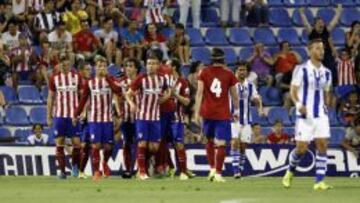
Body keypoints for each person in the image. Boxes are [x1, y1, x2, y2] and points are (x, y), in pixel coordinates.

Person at [282, 39, 333, 190]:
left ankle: (319, 181)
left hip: (321, 115)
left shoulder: (327, 72)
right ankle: (290, 171)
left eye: (322, 48)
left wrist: (327, 103)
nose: (321, 51)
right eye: (318, 48)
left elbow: (326, 91)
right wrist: (298, 104)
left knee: (322, 145)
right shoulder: (301, 69)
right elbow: (293, 90)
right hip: (305, 116)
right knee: (302, 149)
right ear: (310, 51)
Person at [194, 48, 239, 182]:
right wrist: (236, 110)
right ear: (223, 59)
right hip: (222, 114)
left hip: (207, 112)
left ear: (211, 59)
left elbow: (199, 93)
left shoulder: (204, 72)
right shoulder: (229, 74)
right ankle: (218, 173)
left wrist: (196, 112)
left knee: (208, 140)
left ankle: (212, 168)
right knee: (221, 143)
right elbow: (234, 95)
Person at [75, 56, 122, 181]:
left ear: (106, 68)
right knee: (95, 145)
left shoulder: (111, 80)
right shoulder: (90, 83)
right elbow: (83, 100)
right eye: (99, 66)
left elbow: (118, 91)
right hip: (94, 120)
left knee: (108, 147)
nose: (101, 68)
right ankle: (96, 172)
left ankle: (104, 163)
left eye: (103, 66)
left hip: (107, 119)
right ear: (95, 68)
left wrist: (107, 77)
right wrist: (76, 114)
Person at [125, 54, 171, 180]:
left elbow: (168, 90)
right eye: (149, 63)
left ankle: (148, 161)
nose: (151, 66)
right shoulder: (141, 79)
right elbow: (128, 94)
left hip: (155, 117)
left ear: (158, 66)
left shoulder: (162, 79)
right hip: (142, 116)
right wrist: (132, 105)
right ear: (146, 65)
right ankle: (142, 172)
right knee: (142, 143)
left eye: (153, 63)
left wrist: (166, 97)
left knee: (154, 147)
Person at [47, 53, 82, 179]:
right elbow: (50, 98)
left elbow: (82, 96)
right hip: (59, 115)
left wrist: (82, 112)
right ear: (59, 64)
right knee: (60, 143)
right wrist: (49, 116)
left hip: (73, 116)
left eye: (67, 64)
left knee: (77, 143)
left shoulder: (77, 77)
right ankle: (62, 172)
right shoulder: (54, 78)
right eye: (63, 64)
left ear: (70, 64)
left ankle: (75, 167)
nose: (65, 66)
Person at [230, 61, 263, 179]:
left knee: (243, 145)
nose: (242, 72)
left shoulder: (250, 85)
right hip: (232, 119)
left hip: (246, 119)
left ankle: (240, 166)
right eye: (240, 70)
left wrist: (260, 109)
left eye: (244, 70)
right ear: (236, 71)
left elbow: (256, 98)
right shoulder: (230, 84)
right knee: (234, 142)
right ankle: (235, 171)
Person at [165, 58, 195, 180]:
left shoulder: (183, 82)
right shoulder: (163, 80)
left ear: (174, 67)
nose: (164, 67)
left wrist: (175, 95)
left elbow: (187, 102)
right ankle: (171, 168)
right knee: (162, 144)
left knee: (179, 144)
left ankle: (183, 171)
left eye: (167, 65)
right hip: (163, 118)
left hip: (177, 119)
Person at [300, 5, 342, 85]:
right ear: (315, 25)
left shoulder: (326, 31)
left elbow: (334, 22)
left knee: (331, 74)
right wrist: (302, 14)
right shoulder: (312, 33)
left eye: (322, 22)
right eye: (319, 23)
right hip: (316, 57)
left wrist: (339, 12)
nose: (321, 24)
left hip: (328, 56)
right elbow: (306, 24)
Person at [118, 58, 141, 179]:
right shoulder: (122, 82)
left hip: (140, 117)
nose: (128, 68)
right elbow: (117, 97)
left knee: (139, 143)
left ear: (136, 68)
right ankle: (127, 169)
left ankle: (139, 169)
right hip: (126, 118)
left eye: (131, 66)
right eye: (127, 66)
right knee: (126, 143)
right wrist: (118, 112)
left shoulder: (142, 81)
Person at [77, 61, 92, 179]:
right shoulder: (75, 83)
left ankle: (81, 171)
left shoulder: (91, 83)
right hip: (76, 117)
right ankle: (75, 168)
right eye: (87, 69)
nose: (90, 71)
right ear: (81, 71)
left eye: (90, 69)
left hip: (87, 118)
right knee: (77, 144)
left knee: (86, 144)